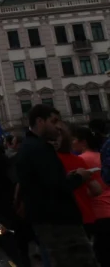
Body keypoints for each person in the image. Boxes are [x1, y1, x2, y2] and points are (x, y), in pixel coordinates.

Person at [15, 105, 99, 267]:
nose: (58, 126)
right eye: (54, 121)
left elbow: (45, 181)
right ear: (40, 121)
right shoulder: (38, 148)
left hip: (49, 220)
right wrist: (79, 177)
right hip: (58, 222)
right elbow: (55, 186)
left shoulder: (30, 147)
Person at [74, 126, 110, 266]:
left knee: (102, 255)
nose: (72, 143)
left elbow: (91, 190)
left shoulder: (81, 160)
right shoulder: (101, 155)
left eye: (74, 140)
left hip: (97, 212)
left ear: (83, 142)